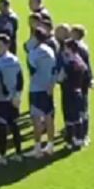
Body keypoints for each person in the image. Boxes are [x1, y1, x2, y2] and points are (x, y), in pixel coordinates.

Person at [0, 34, 25, 164]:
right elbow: (20, 80)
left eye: (0, 45)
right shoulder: (15, 60)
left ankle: (3, 156)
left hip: (1, 99)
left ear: (7, 45)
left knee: (2, 128)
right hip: (13, 99)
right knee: (14, 126)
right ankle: (18, 153)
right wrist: (17, 95)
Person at [27, 28, 59, 157]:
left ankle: (38, 148)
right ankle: (50, 145)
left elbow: (32, 71)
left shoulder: (33, 52)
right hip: (48, 88)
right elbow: (54, 70)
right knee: (49, 117)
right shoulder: (50, 50)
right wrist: (51, 85)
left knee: (36, 118)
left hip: (36, 88)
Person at [57, 39, 90, 150]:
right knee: (78, 117)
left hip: (68, 93)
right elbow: (86, 74)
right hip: (78, 91)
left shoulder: (69, 64)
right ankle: (79, 138)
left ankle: (70, 140)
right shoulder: (80, 62)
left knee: (69, 118)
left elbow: (60, 78)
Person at [70, 24, 94, 145]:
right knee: (79, 109)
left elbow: (86, 66)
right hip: (80, 82)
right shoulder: (80, 46)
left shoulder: (80, 48)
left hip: (81, 83)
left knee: (82, 110)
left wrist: (90, 79)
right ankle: (79, 134)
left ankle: (83, 135)